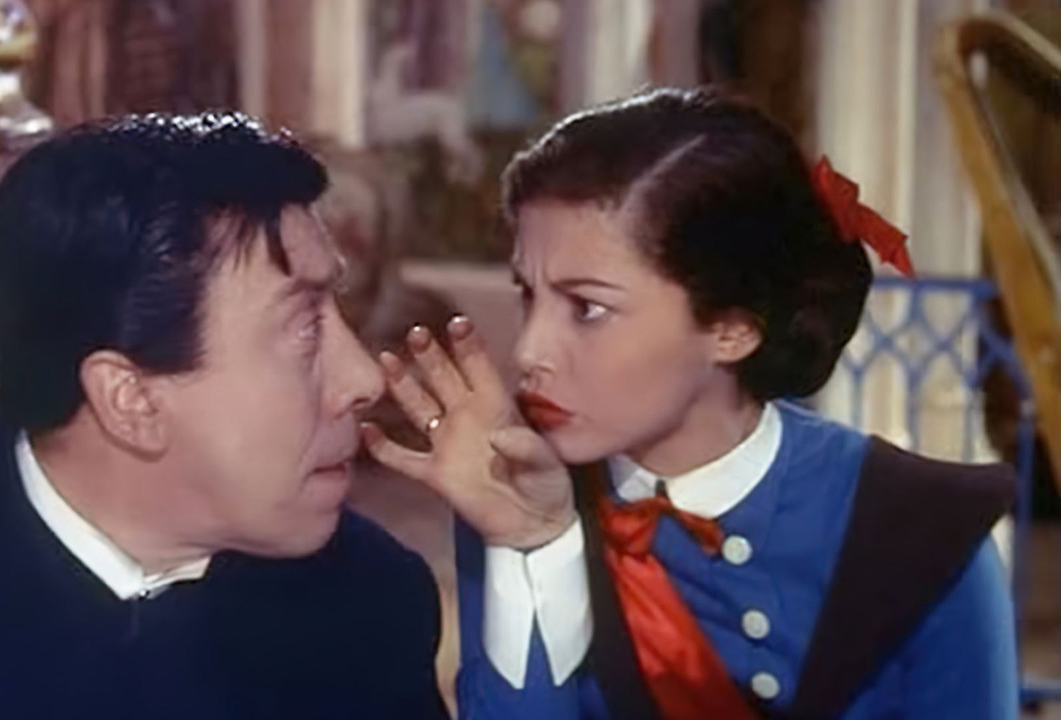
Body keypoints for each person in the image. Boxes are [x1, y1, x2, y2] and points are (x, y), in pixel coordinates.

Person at [362, 88, 1017, 719]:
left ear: (732, 329)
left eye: (587, 308)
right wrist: (532, 544)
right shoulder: (514, 486)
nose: (530, 349)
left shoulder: (921, 534)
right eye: (528, 294)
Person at [0, 112, 448, 720]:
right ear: (130, 401)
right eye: (305, 329)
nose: (364, 379)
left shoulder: (370, 599)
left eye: (337, 310)